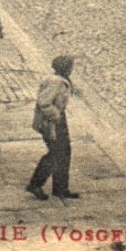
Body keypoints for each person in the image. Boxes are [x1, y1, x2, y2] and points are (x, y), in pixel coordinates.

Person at [27, 55, 80, 200]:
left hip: (58, 121)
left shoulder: (62, 80)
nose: (72, 68)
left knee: (65, 152)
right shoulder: (56, 82)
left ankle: (60, 188)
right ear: (66, 68)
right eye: (71, 66)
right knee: (56, 153)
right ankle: (35, 184)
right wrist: (56, 116)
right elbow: (43, 102)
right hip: (51, 122)